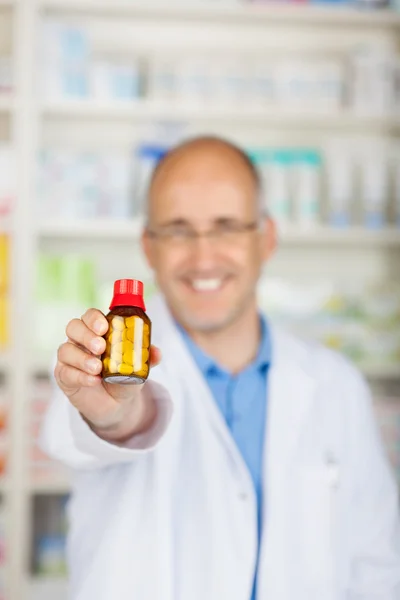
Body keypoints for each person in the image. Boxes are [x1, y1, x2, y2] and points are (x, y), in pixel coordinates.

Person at [41, 136, 400, 600]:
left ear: (266, 239)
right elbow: (100, 427)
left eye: (227, 226)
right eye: (178, 229)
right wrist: (115, 415)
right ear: (148, 247)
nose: (204, 256)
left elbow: (377, 563)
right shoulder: (98, 363)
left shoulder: (336, 385)